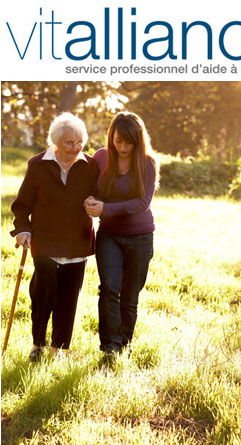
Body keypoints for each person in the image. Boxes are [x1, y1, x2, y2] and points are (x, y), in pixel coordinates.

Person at [10, 112, 99, 362]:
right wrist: (23, 229)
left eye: (80, 141)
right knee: (42, 295)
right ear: (56, 142)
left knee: (69, 299)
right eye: (70, 142)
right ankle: (38, 344)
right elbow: (21, 206)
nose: (76, 147)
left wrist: (96, 202)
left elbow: (99, 194)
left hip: (77, 242)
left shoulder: (90, 165)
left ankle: (59, 349)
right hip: (45, 242)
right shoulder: (38, 165)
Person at [84, 111, 159, 356]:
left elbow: (142, 203)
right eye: (118, 142)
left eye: (129, 143)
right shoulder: (101, 157)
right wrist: (92, 201)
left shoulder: (147, 162)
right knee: (108, 288)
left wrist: (106, 208)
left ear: (138, 141)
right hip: (109, 235)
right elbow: (90, 189)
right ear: (111, 137)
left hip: (140, 236)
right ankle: (110, 347)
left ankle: (124, 345)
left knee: (129, 295)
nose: (123, 147)